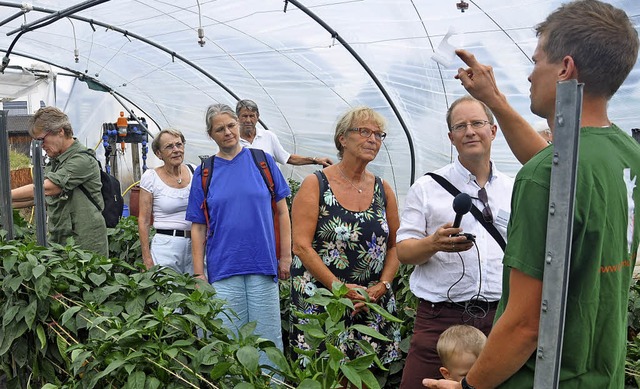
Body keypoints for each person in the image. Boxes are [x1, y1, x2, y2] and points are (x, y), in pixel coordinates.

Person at [424, 1, 640, 388]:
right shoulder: (626, 155)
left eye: (537, 60)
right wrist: (493, 99)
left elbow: (525, 324)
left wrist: (470, 386)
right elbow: (563, 169)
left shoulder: (540, 178)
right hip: (599, 375)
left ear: (565, 68)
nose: (528, 74)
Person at [398, 96, 514, 388]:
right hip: (439, 319)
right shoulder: (427, 187)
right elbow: (403, 251)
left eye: (477, 123)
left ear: (493, 130)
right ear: (451, 137)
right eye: (460, 126)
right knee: (420, 383)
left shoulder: (515, 188)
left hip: (497, 318)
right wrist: (433, 243)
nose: (470, 131)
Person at [289, 106, 401, 369]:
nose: (372, 139)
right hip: (323, 298)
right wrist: (339, 289)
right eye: (364, 131)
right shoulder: (316, 184)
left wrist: (383, 285)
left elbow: (397, 245)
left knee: (364, 373)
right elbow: (301, 246)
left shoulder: (383, 189)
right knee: (326, 374)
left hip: (370, 300)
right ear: (342, 138)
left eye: (378, 134)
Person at [185, 103, 292, 371]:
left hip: (262, 265)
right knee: (228, 341)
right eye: (220, 129)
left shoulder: (262, 162)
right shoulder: (205, 172)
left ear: (238, 126)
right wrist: (199, 274)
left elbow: (282, 211)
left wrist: (286, 256)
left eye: (231, 126)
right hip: (223, 269)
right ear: (211, 135)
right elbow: (197, 227)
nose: (228, 132)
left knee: (267, 342)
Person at [10, 106, 108, 256]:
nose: (41, 145)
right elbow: (39, 197)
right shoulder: (55, 162)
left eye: (42, 139)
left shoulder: (82, 159)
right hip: (60, 241)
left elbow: (47, 189)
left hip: (85, 246)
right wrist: (5, 204)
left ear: (60, 131)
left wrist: (5, 194)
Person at [138, 128, 194, 274]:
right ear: (158, 154)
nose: (176, 150)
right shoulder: (151, 177)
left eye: (179, 144)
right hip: (166, 246)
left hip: (195, 244)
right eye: (169, 146)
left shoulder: (194, 171)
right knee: (167, 292)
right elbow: (143, 220)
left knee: (197, 292)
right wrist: (147, 258)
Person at [236, 99, 334, 167]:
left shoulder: (268, 136)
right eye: (244, 116)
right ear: (237, 118)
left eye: (251, 116)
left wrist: (315, 160)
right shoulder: (233, 140)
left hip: (269, 192)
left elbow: (288, 158)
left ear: (257, 117)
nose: (248, 120)